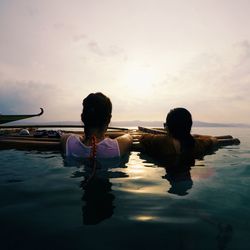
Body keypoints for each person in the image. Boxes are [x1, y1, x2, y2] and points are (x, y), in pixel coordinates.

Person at [137, 107, 240, 161]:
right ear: (189, 126)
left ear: (168, 127)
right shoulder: (198, 144)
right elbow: (213, 140)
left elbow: (142, 137)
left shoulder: (159, 141)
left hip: (170, 169)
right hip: (189, 169)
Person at [61, 92, 133, 158]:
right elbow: (129, 136)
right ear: (109, 119)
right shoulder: (117, 147)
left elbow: (64, 135)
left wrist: (83, 136)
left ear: (82, 117)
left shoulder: (68, 142)